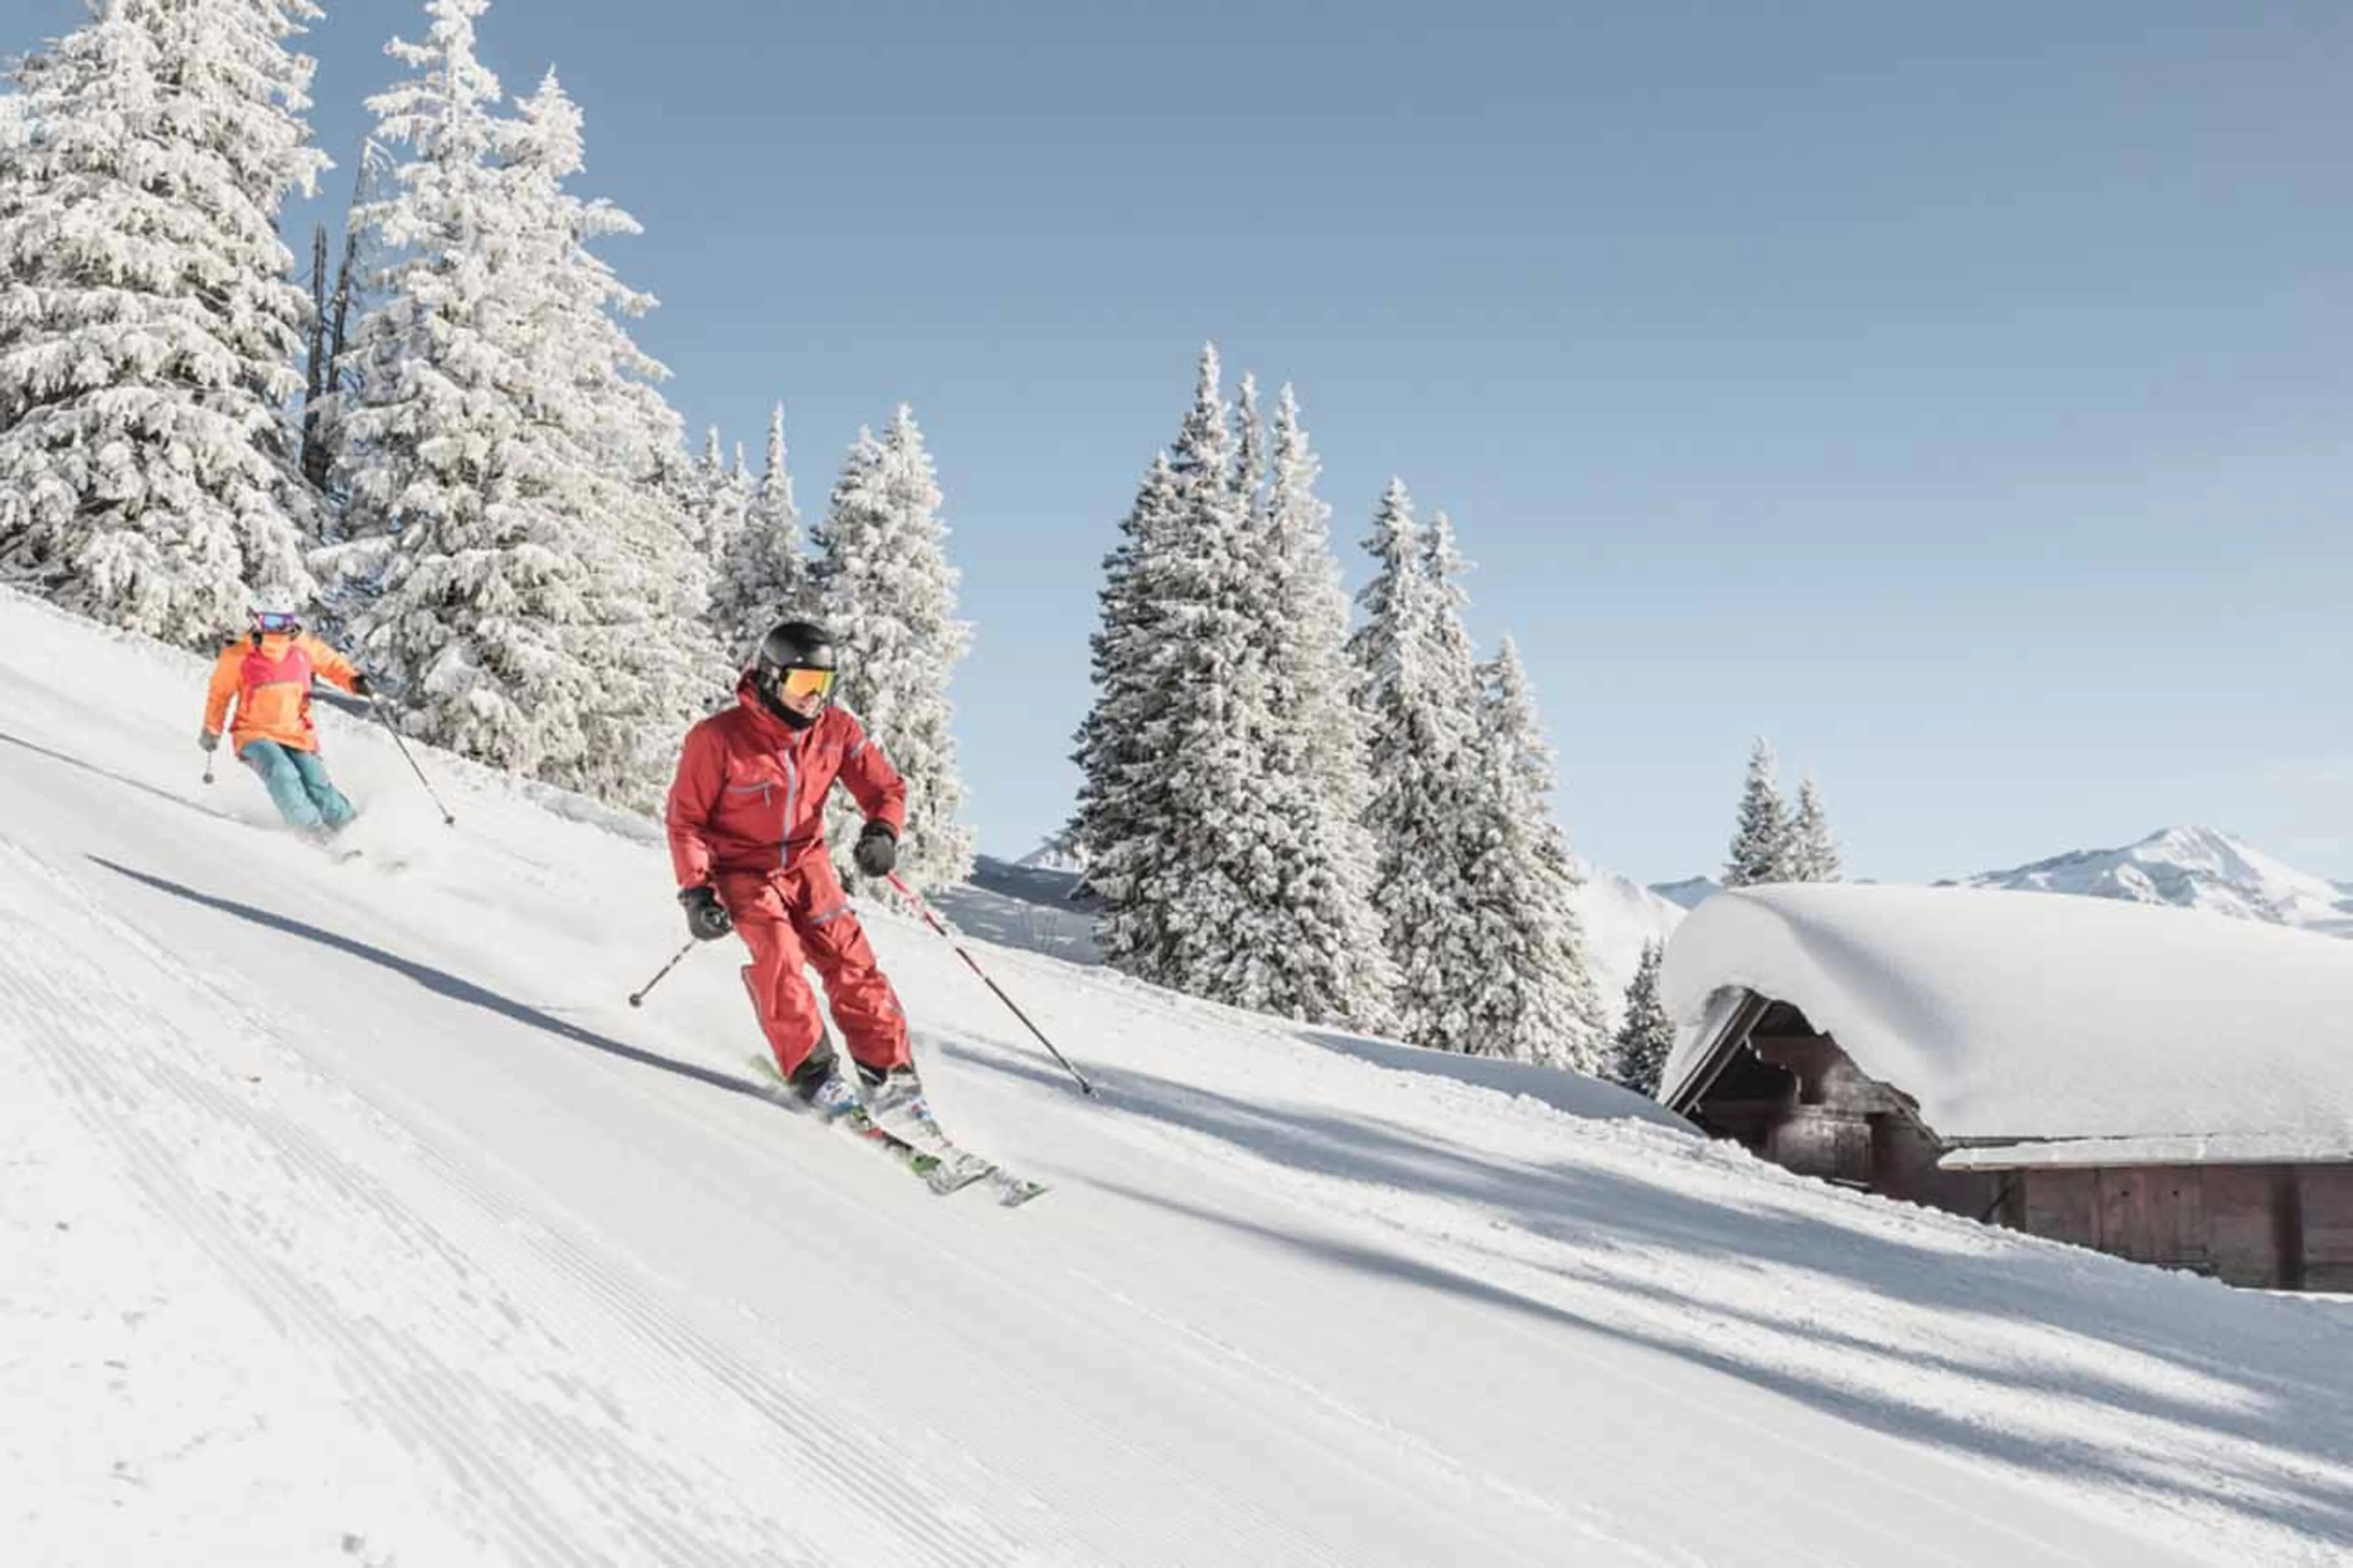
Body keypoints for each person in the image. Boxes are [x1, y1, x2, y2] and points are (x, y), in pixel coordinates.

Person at [665, 619, 915, 1113]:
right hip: (741, 870)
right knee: (780, 956)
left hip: (807, 864)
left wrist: (883, 830)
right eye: (803, 684)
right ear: (773, 677)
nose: (812, 698)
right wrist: (697, 892)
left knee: (851, 961)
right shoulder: (718, 739)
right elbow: (686, 822)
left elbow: (885, 789)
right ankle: (813, 1071)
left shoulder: (836, 730)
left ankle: (888, 1071)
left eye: (822, 685)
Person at [201, 586, 369, 840]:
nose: (278, 629)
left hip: (296, 732)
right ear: (256, 619)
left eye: (284, 621)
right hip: (253, 733)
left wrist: (354, 681)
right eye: (271, 621)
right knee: (282, 772)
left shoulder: (302, 647)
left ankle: (354, 832)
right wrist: (212, 728)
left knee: (317, 783)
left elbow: (331, 663)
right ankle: (313, 833)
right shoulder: (239, 654)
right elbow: (220, 693)